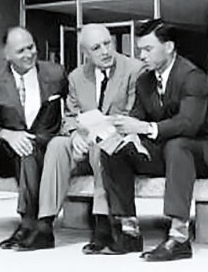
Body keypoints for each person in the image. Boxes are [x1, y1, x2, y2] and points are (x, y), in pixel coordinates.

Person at [101, 19, 208, 262]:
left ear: (169, 47)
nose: (141, 55)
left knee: (178, 145)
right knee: (114, 149)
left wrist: (145, 128)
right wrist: (122, 126)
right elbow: (138, 116)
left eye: (148, 49)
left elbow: (189, 124)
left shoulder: (192, 76)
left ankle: (179, 237)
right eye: (139, 50)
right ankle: (128, 231)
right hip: (169, 152)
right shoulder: (145, 80)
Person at [20, 24, 144, 253]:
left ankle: (102, 223)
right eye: (96, 48)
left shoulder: (134, 70)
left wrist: (101, 129)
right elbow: (69, 116)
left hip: (118, 144)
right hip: (85, 141)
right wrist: (75, 133)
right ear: (85, 53)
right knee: (57, 144)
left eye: (108, 43)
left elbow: (135, 113)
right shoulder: (77, 76)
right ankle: (45, 224)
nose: (105, 51)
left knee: (100, 145)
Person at [0, 27, 67, 249]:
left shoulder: (56, 74)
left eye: (31, 47)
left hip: (39, 148)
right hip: (3, 149)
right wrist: (8, 135)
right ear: (7, 54)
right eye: (21, 51)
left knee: (27, 147)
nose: (29, 54)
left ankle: (28, 225)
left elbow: (71, 109)